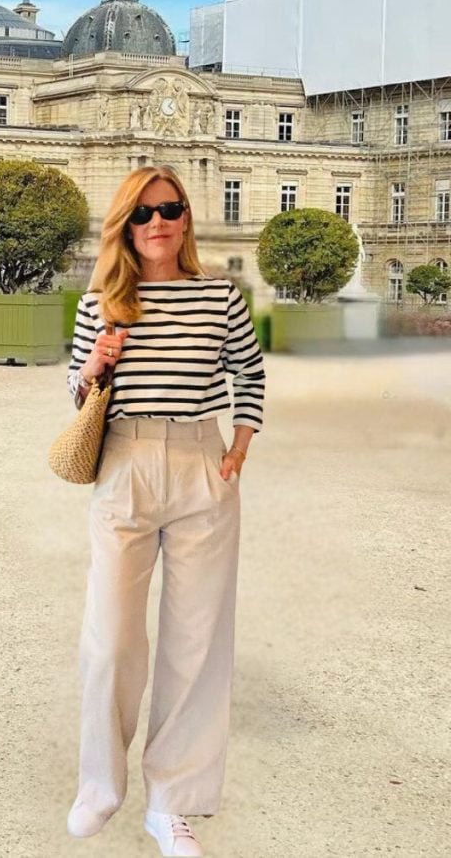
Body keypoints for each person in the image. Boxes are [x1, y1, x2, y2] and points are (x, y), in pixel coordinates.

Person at [65, 165, 265, 857]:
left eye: (170, 209)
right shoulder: (102, 301)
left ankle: (171, 803)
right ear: (125, 225)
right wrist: (94, 364)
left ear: (186, 217)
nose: (158, 223)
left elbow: (250, 371)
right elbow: (77, 394)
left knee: (197, 640)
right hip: (125, 461)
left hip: (200, 463)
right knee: (111, 635)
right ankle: (99, 785)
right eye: (144, 213)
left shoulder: (219, 296)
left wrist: (239, 445)